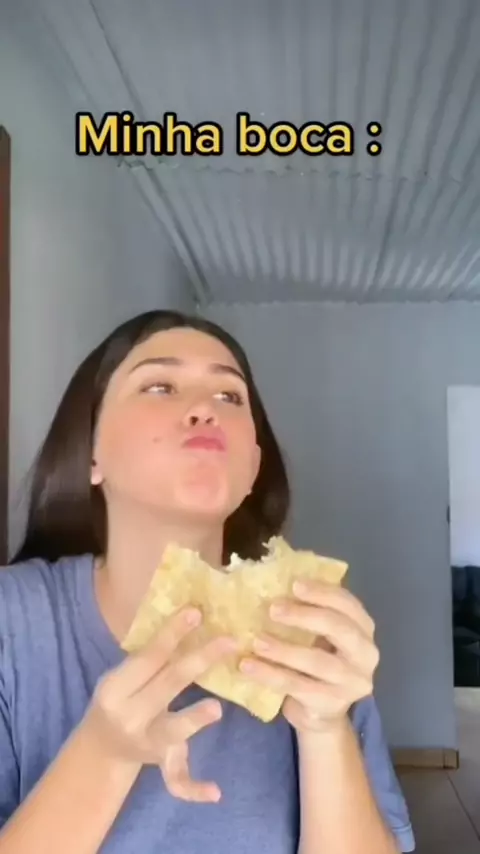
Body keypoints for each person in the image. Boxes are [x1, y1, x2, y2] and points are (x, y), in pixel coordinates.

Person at [0, 310, 415, 853]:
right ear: (91, 452)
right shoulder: (12, 622)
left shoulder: (314, 638)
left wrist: (326, 729)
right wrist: (104, 753)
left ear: (253, 467)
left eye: (229, 396)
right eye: (160, 386)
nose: (204, 409)